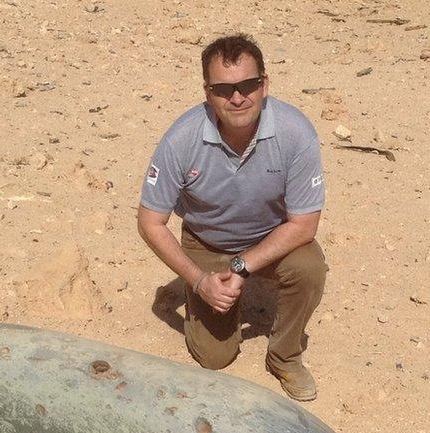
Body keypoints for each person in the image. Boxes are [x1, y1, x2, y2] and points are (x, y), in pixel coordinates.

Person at [137, 34, 327, 401]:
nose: (237, 97)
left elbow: (304, 224)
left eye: (247, 85)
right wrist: (197, 279)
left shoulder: (294, 132)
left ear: (265, 84)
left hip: (269, 238)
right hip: (207, 240)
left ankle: (285, 356)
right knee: (214, 358)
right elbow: (149, 221)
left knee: (309, 268)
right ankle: (211, 298)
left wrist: (242, 267)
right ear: (208, 93)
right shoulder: (182, 139)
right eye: (224, 89)